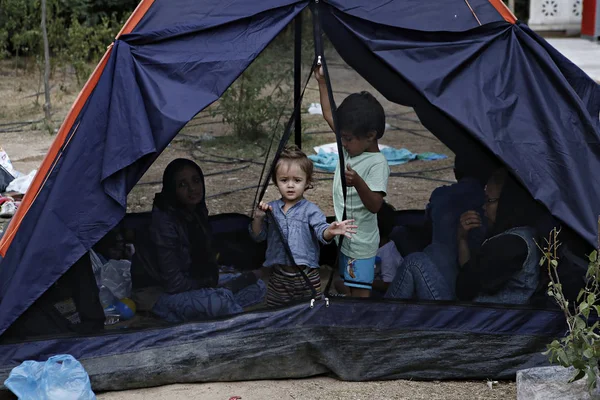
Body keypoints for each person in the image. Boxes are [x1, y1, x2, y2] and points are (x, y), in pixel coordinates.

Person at [132, 159, 265, 323]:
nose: (192, 189)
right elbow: (174, 284)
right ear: (172, 190)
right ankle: (220, 307)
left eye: (196, 181)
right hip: (157, 293)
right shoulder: (163, 224)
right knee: (220, 301)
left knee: (257, 287)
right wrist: (208, 287)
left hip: (190, 282)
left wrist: (211, 285)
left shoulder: (195, 212)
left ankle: (214, 305)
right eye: (182, 184)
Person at [385, 168, 543, 305]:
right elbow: (470, 272)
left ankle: (380, 321)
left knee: (415, 262)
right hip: (475, 313)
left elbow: (465, 289)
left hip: (472, 324)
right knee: (436, 251)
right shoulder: (522, 233)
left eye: (489, 201)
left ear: (507, 203)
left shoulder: (510, 245)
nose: (483, 207)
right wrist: (462, 238)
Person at [315, 67, 391, 297]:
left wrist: (357, 182)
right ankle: (346, 296)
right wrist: (321, 82)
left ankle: (361, 328)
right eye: (342, 138)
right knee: (349, 284)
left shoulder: (377, 163)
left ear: (370, 135)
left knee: (360, 296)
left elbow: (376, 205)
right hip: (346, 239)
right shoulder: (352, 150)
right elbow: (330, 115)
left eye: (347, 138)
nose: (343, 143)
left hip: (361, 246)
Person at [250, 145, 357, 307]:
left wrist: (331, 230)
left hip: (307, 276)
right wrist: (258, 219)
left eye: (297, 180)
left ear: (307, 182)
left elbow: (322, 233)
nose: (290, 185)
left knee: (311, 308)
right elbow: (258, 236)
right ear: (275, 181)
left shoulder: (310, 210)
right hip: (279, 275)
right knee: (274, 310)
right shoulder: (271, 209)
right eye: (284, 180)